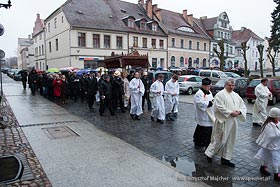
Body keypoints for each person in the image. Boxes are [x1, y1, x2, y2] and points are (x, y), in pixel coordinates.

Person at [205, 78, 247, 168]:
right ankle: (209, 154)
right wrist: (230, 112)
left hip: (233, 121)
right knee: (220, 140)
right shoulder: (220, 95)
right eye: (229, 85)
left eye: (233, 85)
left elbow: (242, 105)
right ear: (225, 85)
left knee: (230, 140)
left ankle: (225, 158)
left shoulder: (236, 95)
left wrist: (239, 112)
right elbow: (219, 106)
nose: (231, 87)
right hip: (223, 120)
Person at [255, 108, 280, 181]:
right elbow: (272, 135)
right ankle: (276, 174)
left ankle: (263, 167)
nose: (279, 118)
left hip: (274, 144)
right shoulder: (269, 125)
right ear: (275, 116)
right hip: (272, 145)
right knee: (276, 159)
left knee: (266, 156)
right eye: (278, 116)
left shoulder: (277, 123)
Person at [193, 78, 214, 147]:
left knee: (201, 128)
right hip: (202, 114)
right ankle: (204, 143)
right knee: (204, 129)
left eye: (209, 86)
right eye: (208, 86)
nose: (209, 88)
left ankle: (198, 141)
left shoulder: (209, 92)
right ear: (203, 86)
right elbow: (199, 103)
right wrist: (209, 103)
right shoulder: (199, 93)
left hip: (209, 113)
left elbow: (211, 98)